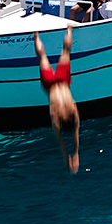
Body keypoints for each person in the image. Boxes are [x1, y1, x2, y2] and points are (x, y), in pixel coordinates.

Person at [33, 28, 79, 173]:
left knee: (65, 51)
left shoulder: (73, 113)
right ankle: (36, 35)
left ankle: (70, 28)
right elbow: (61, 141)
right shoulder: (57, 118)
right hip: (49, 85)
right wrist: (67, 157)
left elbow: (76, 136)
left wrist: (76, 153)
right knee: (42, 57)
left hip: (63, 81)